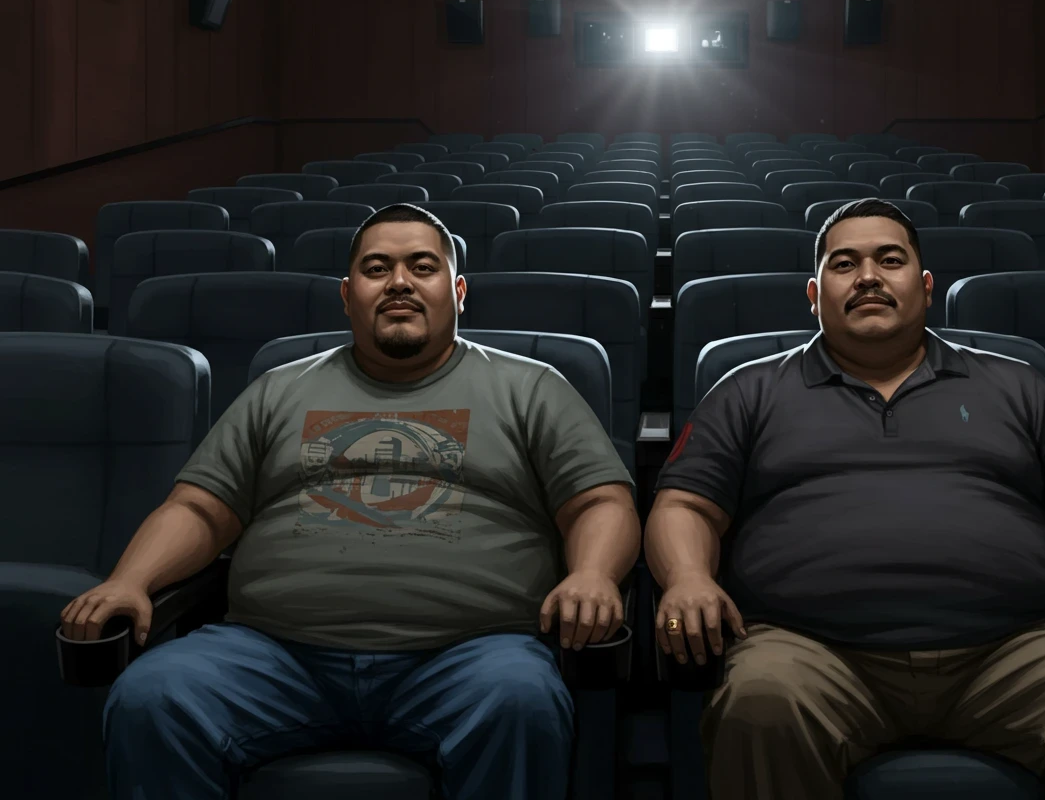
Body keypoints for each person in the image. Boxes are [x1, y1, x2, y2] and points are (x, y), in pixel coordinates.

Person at [60, 203, 640, 800]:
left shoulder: (532, 387)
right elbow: (199, 508)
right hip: (273, 655)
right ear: (346, 294)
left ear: (459, 290)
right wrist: (130, 580)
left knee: (523, 701)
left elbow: (601, 501)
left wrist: (594, 574)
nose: (399, 283)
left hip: (472, 659)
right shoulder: (280, 389)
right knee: (151, 697)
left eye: (422, 266)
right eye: (376, 268)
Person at [645, 198, 1045, 800]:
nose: (868, 276)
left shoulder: (1016, 384)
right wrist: (687, 577)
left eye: (889, 260)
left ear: (924, 287)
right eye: (845, 264)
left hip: (1017, 648)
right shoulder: (747, 390)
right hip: (809, 653)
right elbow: (684, 505)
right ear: (815, 295)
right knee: (758, 703)